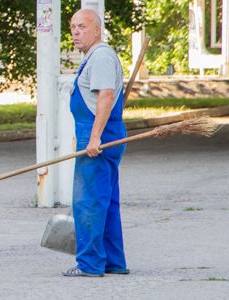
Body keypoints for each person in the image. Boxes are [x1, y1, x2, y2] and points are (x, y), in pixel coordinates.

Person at [63, 9, 129, 277]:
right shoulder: (96, 56)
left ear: (96, 30)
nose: (76, 32)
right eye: (72, 27)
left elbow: (105, 95)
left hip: (99, 138)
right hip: (105, 134)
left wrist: (94, 138)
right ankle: (113, 261)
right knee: (107, 201)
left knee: (88, 201)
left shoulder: (100, 56)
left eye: (82, 26)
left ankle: (90, 264)